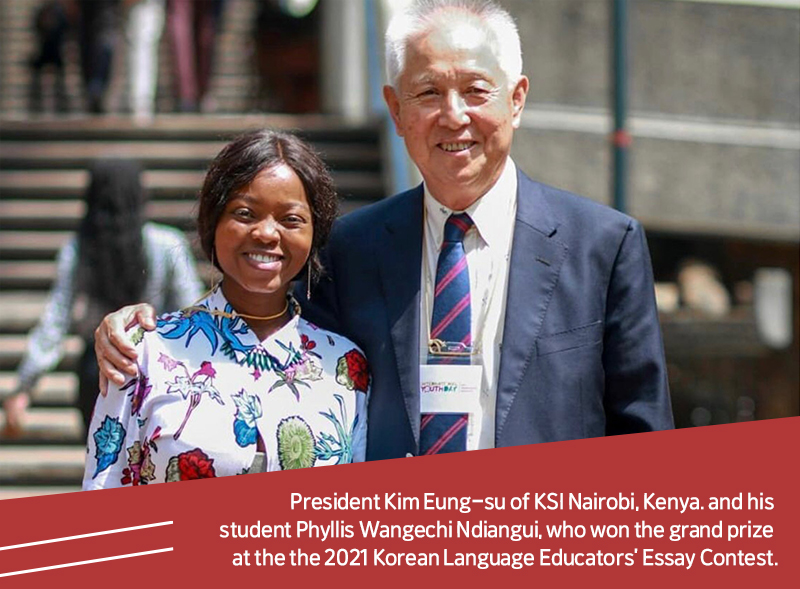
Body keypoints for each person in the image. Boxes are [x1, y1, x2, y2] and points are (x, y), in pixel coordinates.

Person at [93, 0, 673, 461]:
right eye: (428, 93)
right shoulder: (352, 248)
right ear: (396, 111)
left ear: (516, 100)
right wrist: (144, 336)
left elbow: (644, 438)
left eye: (475, 91)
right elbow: (266, 346)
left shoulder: (603, 245)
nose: (453, 116)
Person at [83, 130, 368, 488]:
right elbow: (103, 490)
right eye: (245, 213)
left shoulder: (346, 367)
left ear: (315, 235)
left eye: (291, 219)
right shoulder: (142, 352)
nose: (267, 233)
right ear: (213, 222)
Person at [1, 159, 202, 438]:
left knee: (103, 471)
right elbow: (191, 310)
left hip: (97, 374)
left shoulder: (80, 249)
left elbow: (55, 320)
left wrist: (25, 386)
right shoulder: (167, 244)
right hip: (156, 370)